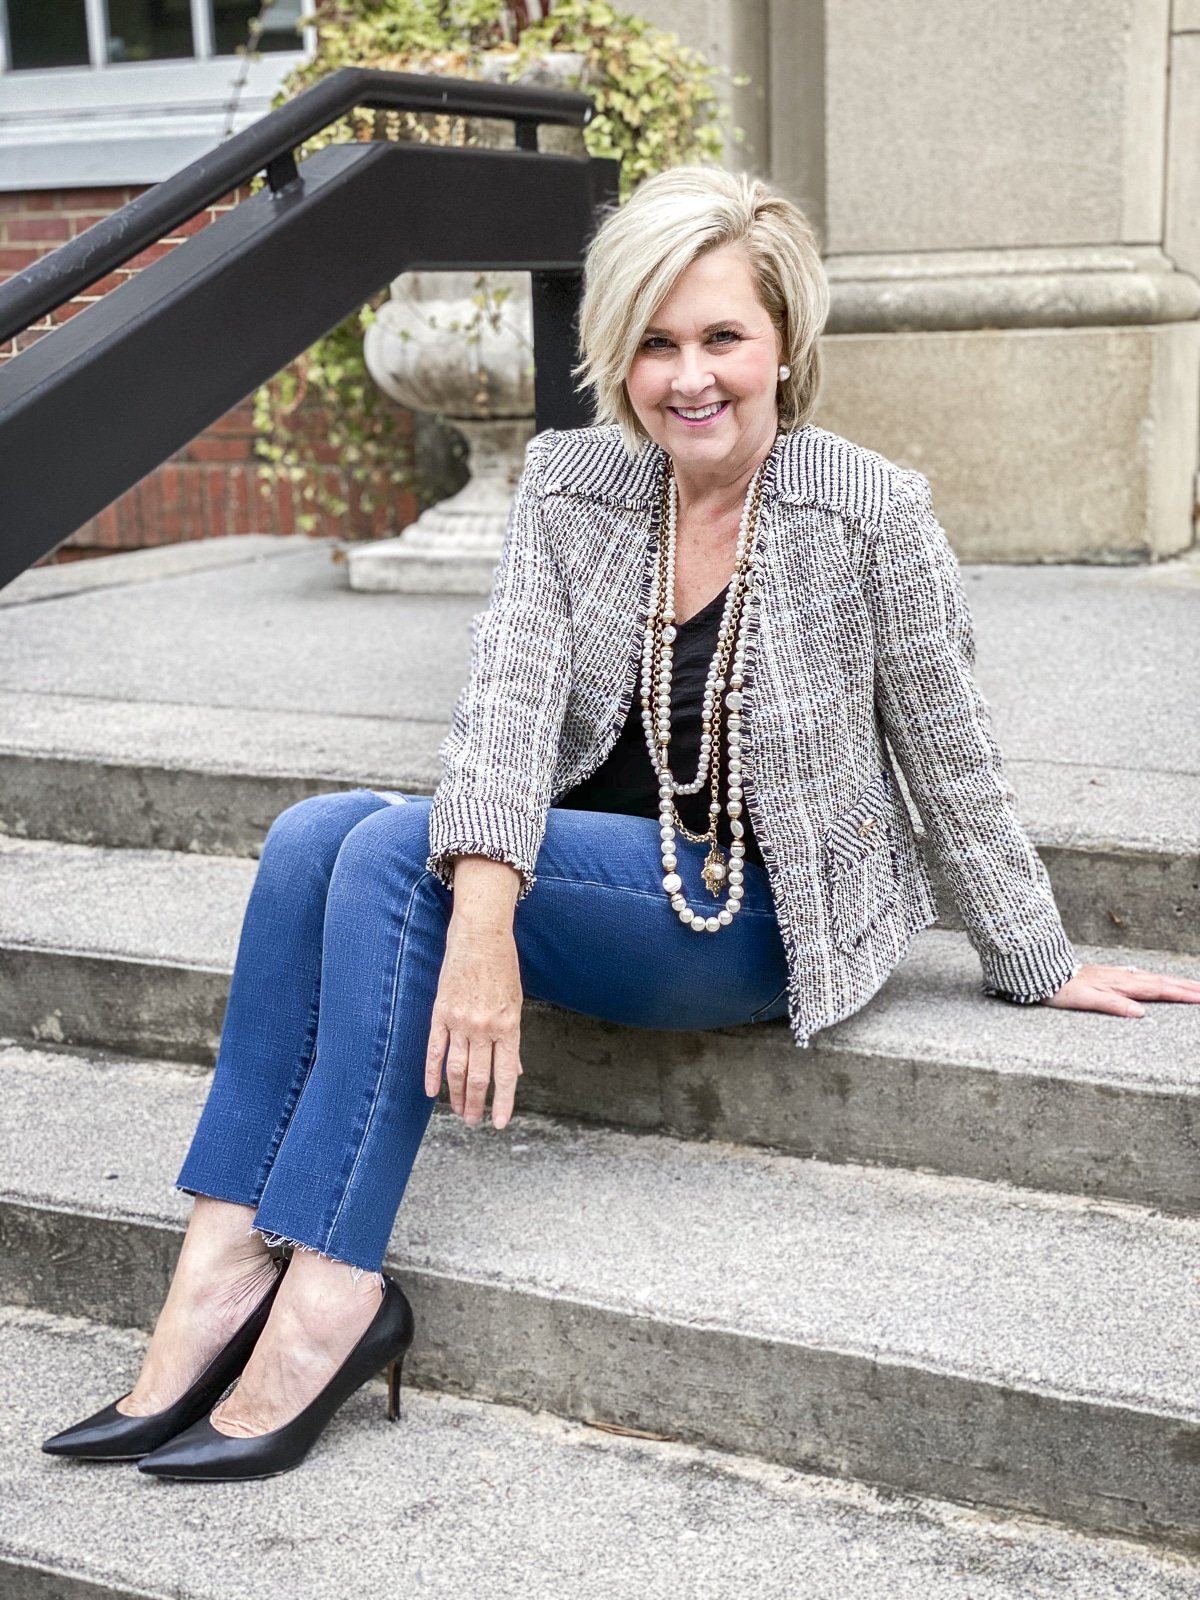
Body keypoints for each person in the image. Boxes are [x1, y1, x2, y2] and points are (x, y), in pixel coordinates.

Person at [42, 166, 1200, 1481]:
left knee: (385, 860)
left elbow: (952, 754)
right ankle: (221, 1263)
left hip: (748, 917)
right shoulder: (574, 484)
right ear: (616, 351)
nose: (689, 375)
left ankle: (333, 1294)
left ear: (785, 343)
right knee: (318, 832)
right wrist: (488, 919)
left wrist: (1037, 956)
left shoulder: (867, 511)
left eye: (723, 337)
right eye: (656, 341)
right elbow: (508, 704)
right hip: (598, 877)